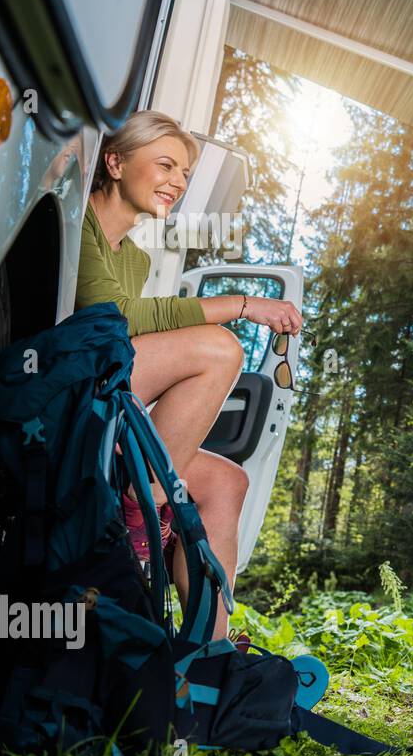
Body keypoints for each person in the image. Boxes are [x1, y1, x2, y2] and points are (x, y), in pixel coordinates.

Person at [75, 110, 303, 639]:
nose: (177, 182)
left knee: (227, 480)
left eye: (184, 173)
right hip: (66, 392)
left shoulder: (132, 256)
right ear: (114, 162)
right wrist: (241, 305)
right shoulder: (77, 221)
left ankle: (209, 652)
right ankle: (139, 514)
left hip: (105, 391)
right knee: (220, 351)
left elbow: (130, 333)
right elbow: (112, 316)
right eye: (165, 165)